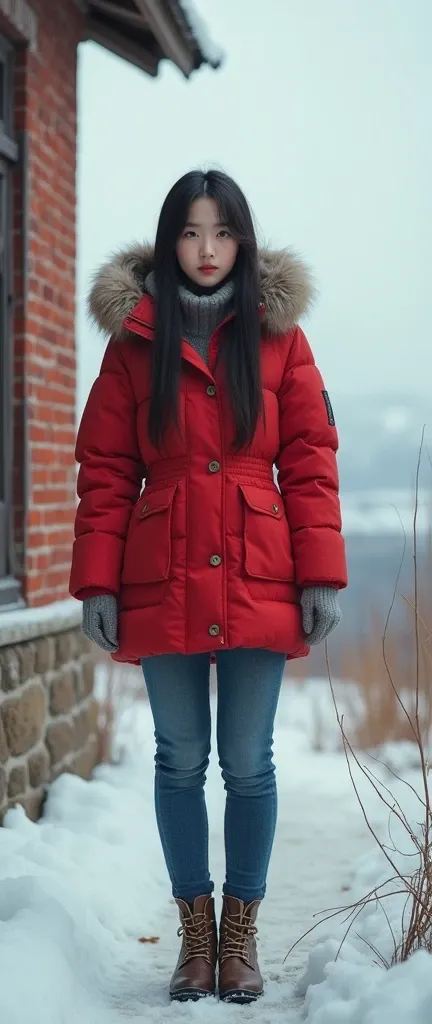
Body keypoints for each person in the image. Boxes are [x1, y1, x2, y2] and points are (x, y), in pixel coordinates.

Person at [70, 170, 347, 1004]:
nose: (204, 250)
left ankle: (240, 939)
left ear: (243, 241)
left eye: (220, 233)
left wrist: (322, 575)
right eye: (189, 233)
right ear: (168, 242)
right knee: (180, 759)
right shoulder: (133, 345)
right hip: (164, 573)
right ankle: (194, 937)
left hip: (261, 566)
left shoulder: (280, 339)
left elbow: (308, 460)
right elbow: (107, 470)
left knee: (249, 764)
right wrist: (97, 585)